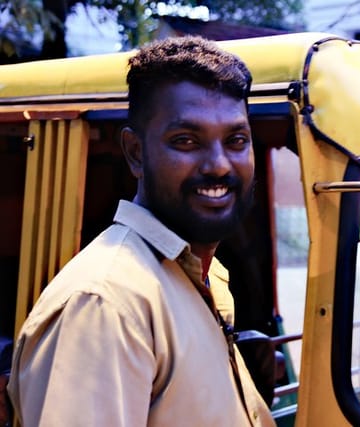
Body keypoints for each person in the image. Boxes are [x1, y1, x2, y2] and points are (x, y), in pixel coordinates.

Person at [7, 35, 275, 427]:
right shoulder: (105, 304)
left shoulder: (201, 278)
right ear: (135, 153)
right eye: (186, 141)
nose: (219, 165)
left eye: (236, 140)